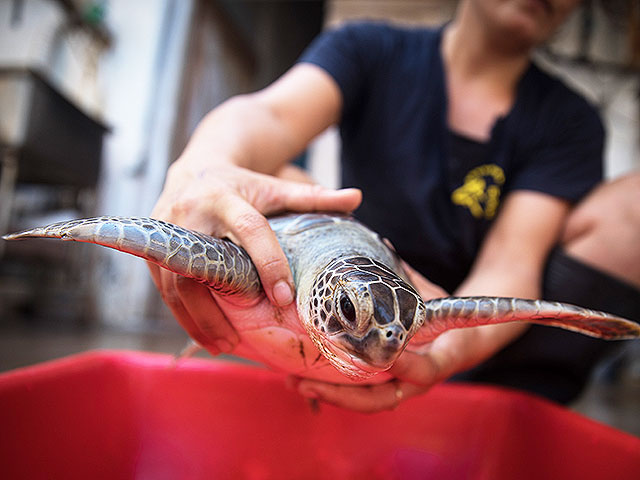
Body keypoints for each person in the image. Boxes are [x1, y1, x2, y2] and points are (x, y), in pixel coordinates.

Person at [149, 0, 640, 412]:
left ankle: (486, 399)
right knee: (277, 176)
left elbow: (513, 260)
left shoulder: (568, 119)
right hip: (345, 288)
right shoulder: (370, 48)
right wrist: (203, 168)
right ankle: (300, 347)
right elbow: (267, 114)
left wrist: (445, 353)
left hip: (464, 339)